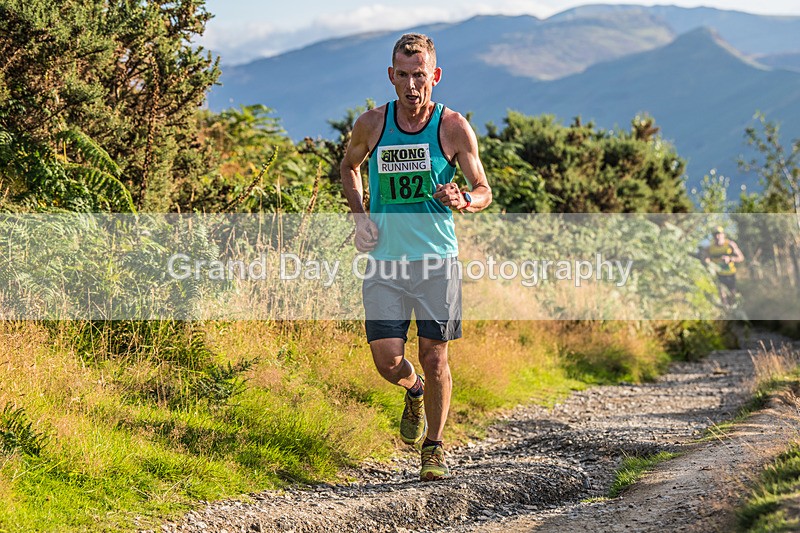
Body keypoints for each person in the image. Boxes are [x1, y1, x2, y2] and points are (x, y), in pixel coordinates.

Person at [340, 33, 492, 481]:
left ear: (435, 76)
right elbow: (349, 165)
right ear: (391, 76)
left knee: (435, 355)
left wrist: (463, 199)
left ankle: (434, 447)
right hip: (386, 261)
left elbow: (483, 190)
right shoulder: (371, 124)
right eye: (403, 76)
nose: (411, 86)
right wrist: (360, 216)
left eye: (420, 76)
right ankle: (414, 391)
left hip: (436, 261)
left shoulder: (452, 127)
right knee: (388, 361)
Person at [704, 226, 744, 307]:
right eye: (715, 234)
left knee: (733, 293)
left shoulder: (730, 244)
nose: (717, 236)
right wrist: (707, 262)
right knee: (722, 293)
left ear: (723, 235)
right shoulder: (710, 248)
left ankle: (734, 308)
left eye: (719, 234)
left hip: (730, 273)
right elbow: (706, 258)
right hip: (719, 274)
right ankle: (726, 309)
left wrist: (730, 259)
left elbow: (741, 257)